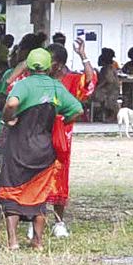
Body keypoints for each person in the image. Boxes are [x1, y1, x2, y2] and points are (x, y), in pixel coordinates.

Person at [0, 47, 81, 248]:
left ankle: (13, 241)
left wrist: (9, 118)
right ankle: (38, 240)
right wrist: (65, 119)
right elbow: (77, 109)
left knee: (11, 191)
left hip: (18, 149)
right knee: (40, 194)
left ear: (29, 65)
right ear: (48, 66)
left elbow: (11, 103)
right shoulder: (55, 87)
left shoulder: (23, 85)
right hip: (44, 150)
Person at [48, 43, 93, 235]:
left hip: (62, 134)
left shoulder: (71, 80)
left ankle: (59, 222)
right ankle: (37, 219)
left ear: (57, 64)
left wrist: (83, 56)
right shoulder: (41, 80)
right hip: (40, 132)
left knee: (60, 175)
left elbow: (89, 82)